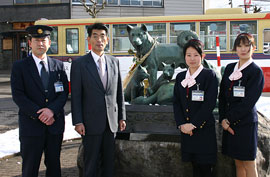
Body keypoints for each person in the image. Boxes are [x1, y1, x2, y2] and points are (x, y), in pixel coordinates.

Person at [10, 25, 69, 177]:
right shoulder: (19, 67)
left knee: (54, 166)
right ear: (30, 43)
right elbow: (18, 95)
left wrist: (51, 111)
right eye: (37, 40)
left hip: (54, 126)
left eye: (44, 40)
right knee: (30, 168)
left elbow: (63, 93)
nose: (40, 43)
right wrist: (40, 114)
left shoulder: (59, 66)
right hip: (31, 126)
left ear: (49, 43)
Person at [71, 23, 126, 177]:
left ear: (107, 40)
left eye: (102, 36)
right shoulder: (79, 64)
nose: (99, 40)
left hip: (111, 123)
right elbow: (76, 96)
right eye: (95, 36)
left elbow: (119, 92)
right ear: (89, 39)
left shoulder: (113, 62)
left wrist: (121, 116)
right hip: (89, 123)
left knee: (109, 164)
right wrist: (78, 121)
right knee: (91, 164)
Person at [219, 33, 264, 177]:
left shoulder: (256, 72)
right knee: (238, 162)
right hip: (229, 124)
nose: (243, 49)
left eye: (247, 45)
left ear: (253, 48)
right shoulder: (229, 68)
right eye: (239, 46)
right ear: (235, 49)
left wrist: (228, 120)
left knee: (249, 163)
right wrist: (222, 119)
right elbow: (222, 97)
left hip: (245, 124)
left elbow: (248, 103)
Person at [173, 39, 218, 177]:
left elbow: (209, 104)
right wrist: (181, 124)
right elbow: (176, 102)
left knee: (205, 169)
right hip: (187, 132)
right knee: (194, 168)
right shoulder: (181, 76)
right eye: (188, 55)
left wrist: (193, 125)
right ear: (184, 57)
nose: (192, 59)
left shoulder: (209, 75)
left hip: (203, 131)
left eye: (196, 55)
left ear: (202, 56)